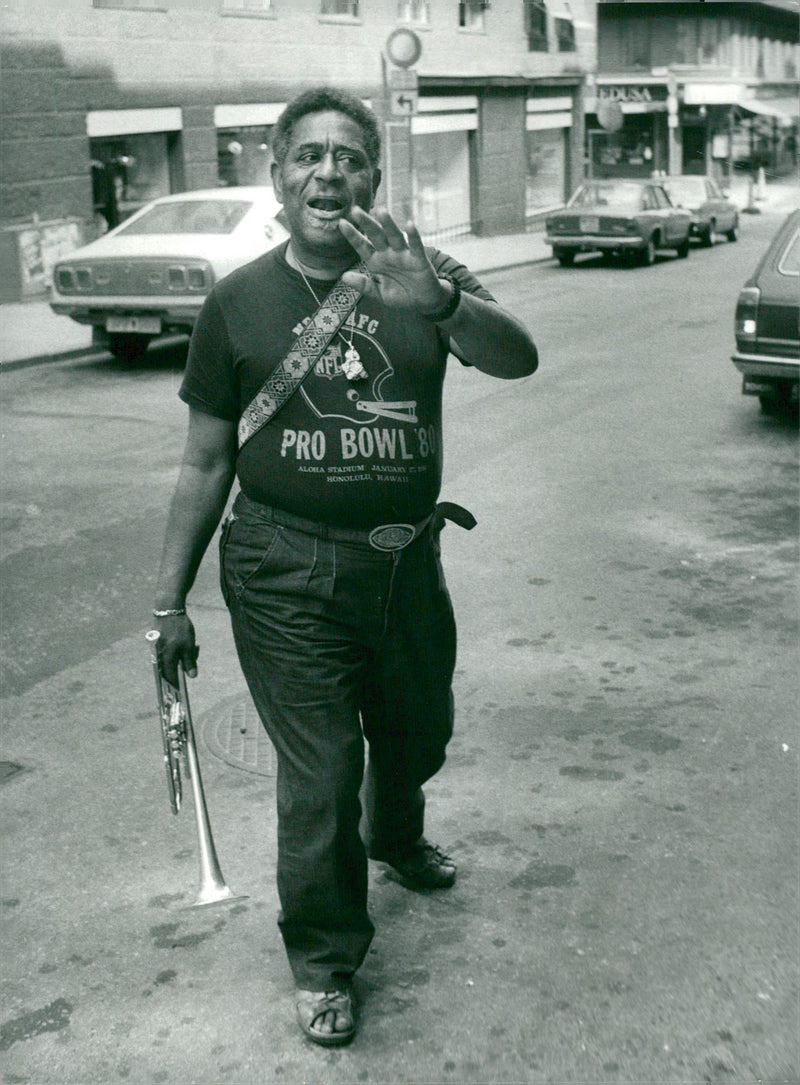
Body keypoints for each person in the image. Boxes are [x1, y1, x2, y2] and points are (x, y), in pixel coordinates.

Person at [152, 86, 538, 1047]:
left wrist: (441, 302)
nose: (330, 172)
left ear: (376, 174)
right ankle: (324, 957)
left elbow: (520, 357)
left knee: (415, 735)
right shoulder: (238, 303)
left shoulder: (422, 269)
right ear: (279, 175)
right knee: (322, 770)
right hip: (283, 567)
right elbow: (205, 461)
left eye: (350, 157)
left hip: (407, 563)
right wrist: (168, 607)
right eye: (308, 156)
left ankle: (395, 834)